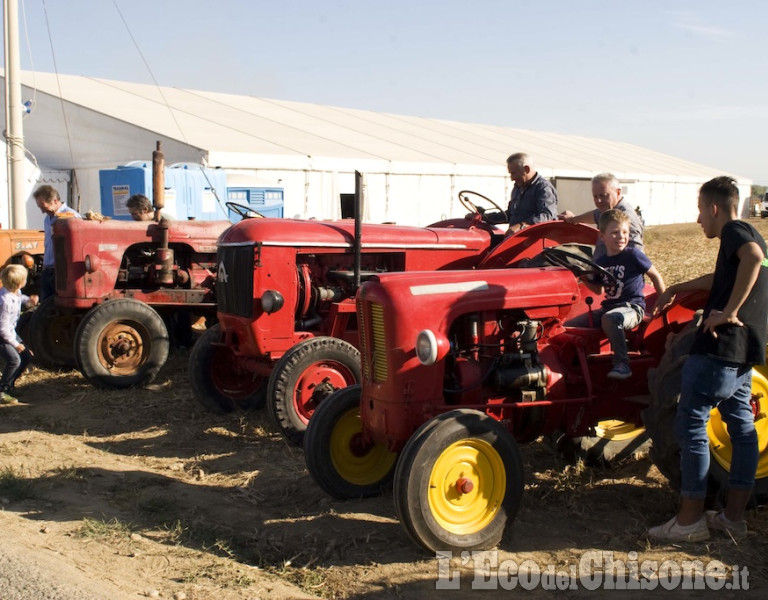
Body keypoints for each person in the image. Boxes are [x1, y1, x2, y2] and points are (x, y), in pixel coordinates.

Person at [647, 176, 768, 542]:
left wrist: (728, 311)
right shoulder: (752, 233)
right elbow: (726, 274)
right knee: (744, 432)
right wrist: (678, 289)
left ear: (714, 208)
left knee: (692, 430)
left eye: (700, 210)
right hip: (744, 353)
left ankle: (689, 522)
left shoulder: (735, 232)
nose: (699, 219)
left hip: (719, 348)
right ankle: (732, 518)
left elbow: (753, 258)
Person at [578, 209, 665, 379]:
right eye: (615, 232)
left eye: (625, 232)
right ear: (602, 237)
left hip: (632, 308)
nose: (621, 237)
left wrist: (662, 302)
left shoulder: (633, 255)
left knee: (611, 319)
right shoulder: (601, 262)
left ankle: (622, 364)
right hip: (609, 308)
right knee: (567, 327)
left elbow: (655, 276)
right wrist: (584, 277)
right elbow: (599, 289)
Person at [559, 172, 644, 260]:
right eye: (595, 196)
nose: (598, 201)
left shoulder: (626, 220)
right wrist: (574, 219)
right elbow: (595, 215)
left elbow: (637, 256)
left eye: (603, 196)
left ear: (618, 193)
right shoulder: (607, 211)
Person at [33, 185, 81, 300]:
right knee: (46, 306)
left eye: (44, 207)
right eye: (40, 207)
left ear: (55, 201)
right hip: (48, 269)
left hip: (61, 271)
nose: (42, 211)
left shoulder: (71, 217)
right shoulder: (47, 219)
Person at [0, 265, 38, 405]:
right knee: (14, 360)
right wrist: (16, 344)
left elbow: (20, 297)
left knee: (26, 357)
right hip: (3, 334)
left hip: (10, 331)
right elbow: (3, 329)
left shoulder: (14, 291)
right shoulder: (5, 302)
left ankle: (10, 386)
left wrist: (29, 300)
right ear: (18, 282)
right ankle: (2, 391)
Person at [505, 152, 558, 235]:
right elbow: (510, 214)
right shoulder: (517, 188)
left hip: (534, 238)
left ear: (526, 169)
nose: (512, 178)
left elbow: (547, 216)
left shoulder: (543, 188)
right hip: (515, 237)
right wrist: (484, 216)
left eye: (513, 173)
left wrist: (521, 226)